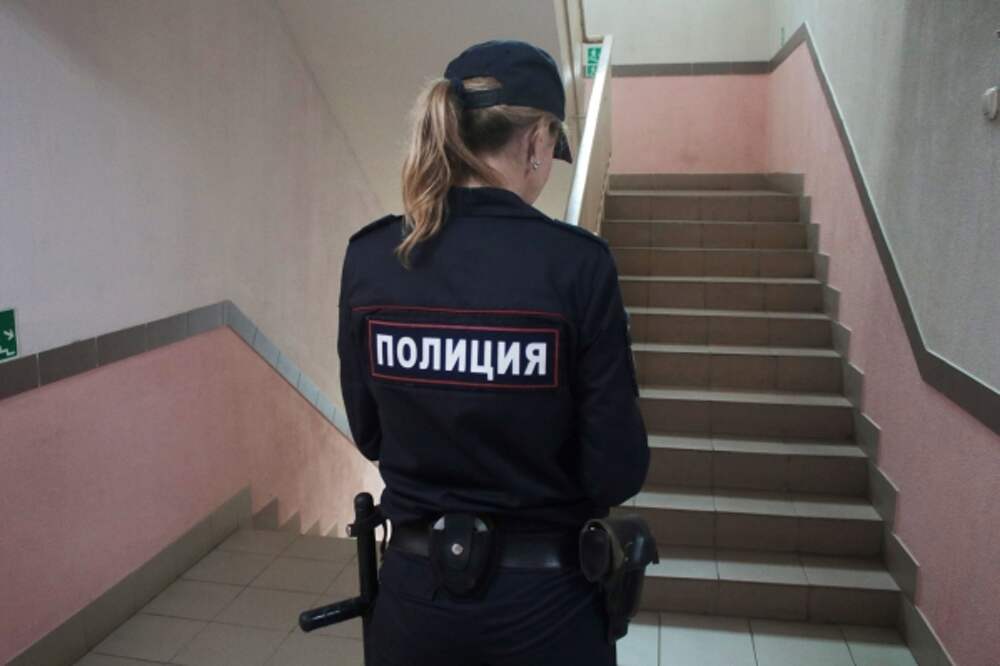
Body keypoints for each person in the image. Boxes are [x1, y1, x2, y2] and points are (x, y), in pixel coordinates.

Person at [337, 39, 649, 666]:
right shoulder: (577, 266)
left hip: (413, 610)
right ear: (536, 141)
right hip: (547, 613)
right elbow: (616, 471)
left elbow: (369, 434)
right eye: (551, 148)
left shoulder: (373, 258)